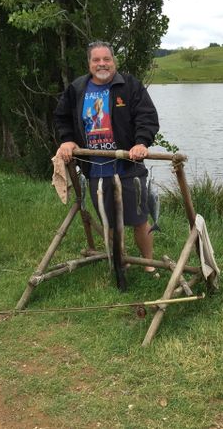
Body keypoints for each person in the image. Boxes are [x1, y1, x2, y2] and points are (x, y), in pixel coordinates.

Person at [54, 40, 158, 272]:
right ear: (89, 63)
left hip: (128, 168)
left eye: (106, 59)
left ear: (114, 61)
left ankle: (149, 265)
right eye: (96, 60)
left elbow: (147, 116)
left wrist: (141, 142)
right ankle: (119, 262)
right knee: (108, 222)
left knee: (140, 221)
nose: (102, 64)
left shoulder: (130, 85)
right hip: (95, 170)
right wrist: (67, 139)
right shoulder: (77, 88)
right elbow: (61, 117)